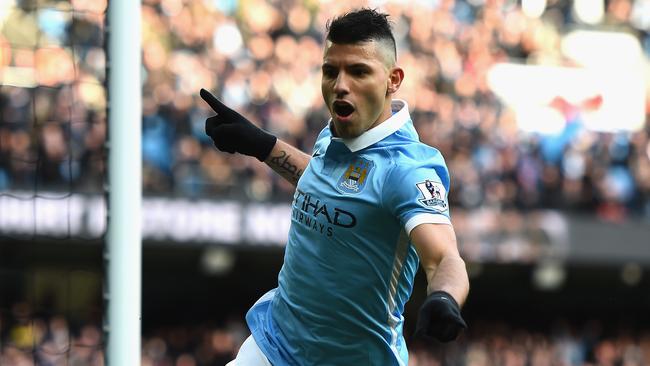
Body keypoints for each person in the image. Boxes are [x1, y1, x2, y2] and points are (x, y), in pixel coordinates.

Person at [201, 8, 470, 365]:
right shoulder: (334, 132)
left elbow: (444, 257)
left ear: (393, 79)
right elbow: (330, 188)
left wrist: (445, 297)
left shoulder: (407, 170)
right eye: (331, 71)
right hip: (275, 343)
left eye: (359, 71)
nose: (340, 85)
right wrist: (263, 145)